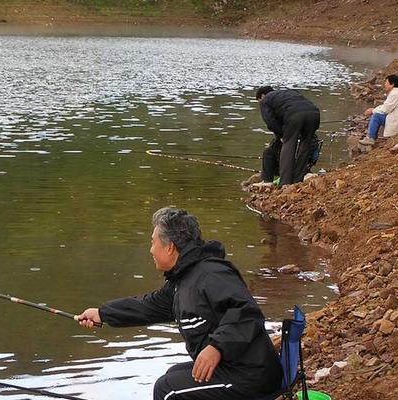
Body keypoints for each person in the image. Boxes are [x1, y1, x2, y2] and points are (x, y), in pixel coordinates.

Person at [75, 208, 282, 400]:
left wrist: (216, 347)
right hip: (234, 366)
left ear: (170, 247)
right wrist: (102, 313)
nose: (151, 250)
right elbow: (148, 306)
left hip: (252, 376)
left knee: (166, 390)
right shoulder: (183, 279)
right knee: (173, 374)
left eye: (153, 242)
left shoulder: (211, 273)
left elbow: (247, 313)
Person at [256, 86, 321, 185]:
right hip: (314, 113)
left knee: (289, 145)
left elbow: (270, 121)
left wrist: (281, 135)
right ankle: (297, 180)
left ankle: (285, 183)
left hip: (294, 116)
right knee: (305, 145)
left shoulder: (265, 100)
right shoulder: (289, 93)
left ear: (262, 96)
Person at [359, 74, 398, 145]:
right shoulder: (397, 92)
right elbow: (386, 106)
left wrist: (372, 111)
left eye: (386, 82)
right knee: (376, 113)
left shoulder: (395, 94)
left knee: (376, 116)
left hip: (397, 122)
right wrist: (374, 109)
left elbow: (385, 110)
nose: (385, 85)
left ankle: (370, 138)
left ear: (392, 84)